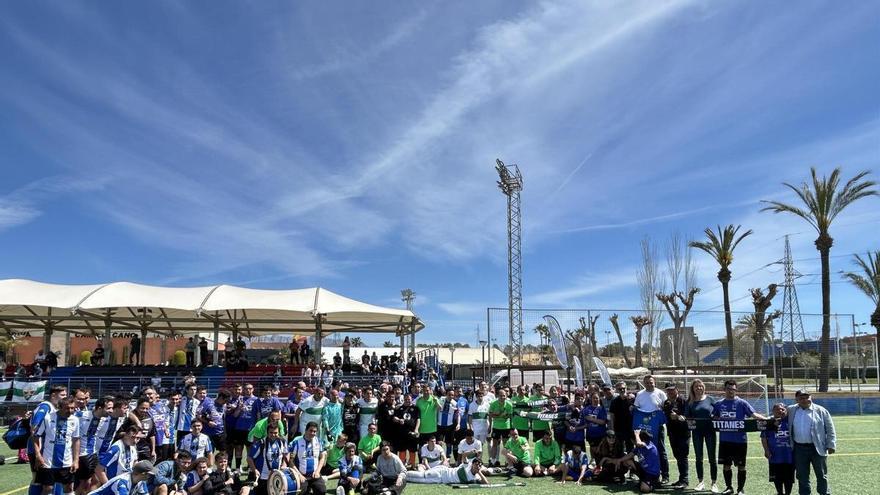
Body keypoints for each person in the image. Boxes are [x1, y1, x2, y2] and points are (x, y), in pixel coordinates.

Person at [713, 379, 767, 495]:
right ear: (724, 389)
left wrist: (766, 419)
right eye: (728, 389)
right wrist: (715, 418)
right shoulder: (719, 404)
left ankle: (740, 489)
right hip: (725, 440)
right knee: (726, 466)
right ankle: (729, 487)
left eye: (733, 389)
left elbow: (753, 415)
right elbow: (713, 417)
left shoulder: (742, 403)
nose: (730, 391)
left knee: (741, 466)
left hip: (740, 440)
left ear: (736, 390)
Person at [786, 389, 835, 495]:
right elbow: (778, 416)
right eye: (801, 398)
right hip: (799, 449)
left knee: (821, 475)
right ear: (796, 399)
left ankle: (824, 493)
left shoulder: (821, 410)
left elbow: (830, 428)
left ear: (811, 397)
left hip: (817, 448)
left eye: (807, 397)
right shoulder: (791, 410)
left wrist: (831, 444)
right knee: (802, 476)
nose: (805, 400)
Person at [32, 397, 81, 495]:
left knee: (68, 488)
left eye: (72, 408)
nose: (70, 411)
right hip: (48, 461)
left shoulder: (75, 420)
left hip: (66, 461)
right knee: (47, 488)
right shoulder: (48, 418)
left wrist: (76, 460)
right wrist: (38, 455)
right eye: (67, 408)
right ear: (60, 407)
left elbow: (76, 440)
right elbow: (36, 436)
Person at [632, 375, 669, 484]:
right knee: (643, 451)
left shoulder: (661, 393)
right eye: (647, 382)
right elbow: (636, 409)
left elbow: (665, 408)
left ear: (654, 382)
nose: (649, 384)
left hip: (657, 427)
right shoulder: (639, 394)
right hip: (643, 429)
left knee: (660, 451)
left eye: (651, 382)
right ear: (644, 383)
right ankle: (646, 474)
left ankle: (665, 475)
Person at [687, 378, 719, 492]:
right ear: (693, 388)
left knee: (712, 459)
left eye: (700, 386)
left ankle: (714, 483)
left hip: (710, 432)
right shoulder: (690, 402)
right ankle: (701, 482)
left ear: (703, 387)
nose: (698, 388)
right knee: (698, 458)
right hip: (697, 433)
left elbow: (718, 412)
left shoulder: (710, 399)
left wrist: (716, 416)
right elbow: (687, 417)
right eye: (696, 386)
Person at [76, 395, 112, 495]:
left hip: (93, 453)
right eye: (108, 408)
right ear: (100, 408)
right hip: (83, 455)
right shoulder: (81, 416)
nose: (111, 411)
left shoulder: (104, 419)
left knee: (95, 481)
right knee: (84, 483)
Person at [662, 383, 690, 489]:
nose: (670, 392)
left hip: (683, 434)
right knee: (678, 456)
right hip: (672, 434)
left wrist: (678, 417)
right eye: (668, 390)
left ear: (677, 390)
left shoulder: (684, 401)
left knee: (683, 457)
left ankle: (685, 481)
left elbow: (688, 417)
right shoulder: (667, 403)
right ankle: (681, 479)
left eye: (672, 390)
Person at [762, 403, 794, 495]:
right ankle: (779, 492)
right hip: (775, 455)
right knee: (777, 477)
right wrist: (766, 450)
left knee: (789, 478)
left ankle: (788, 493)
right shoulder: (769, 422)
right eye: (777, 409)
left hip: (789, 455)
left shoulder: (790, 421)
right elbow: (764, 437)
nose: (780, 411)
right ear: (773, 411)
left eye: (782, 409)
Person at [248, 423, 288, 495]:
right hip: (263, 477)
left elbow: (286, 453)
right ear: (267, 432)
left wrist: (284, 464)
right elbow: (249, 458)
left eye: (275, 433)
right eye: (271, 432)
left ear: (278, 432)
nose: (273, 435)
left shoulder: (282, 442)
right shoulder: (261, 443)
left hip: (277, 476)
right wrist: (255, 470)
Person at [289, 421, 327, 495]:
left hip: (314, 475)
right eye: (311, 430)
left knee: (322, 490)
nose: (312, 433)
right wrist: (299, 475)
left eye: (315, 431)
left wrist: (317, 471)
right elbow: (291, 462)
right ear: (306, 430)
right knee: (301, 492)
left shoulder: (319, 442)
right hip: (302, 476)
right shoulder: (296, 443)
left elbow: (322, 457)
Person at [231, 383, 258, 472]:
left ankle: (250, 467)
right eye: (246, 389)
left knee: (249, 449)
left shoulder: (257, 400)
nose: (248, 390)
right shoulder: (240, 399)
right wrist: (239, 408)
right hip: (239, 428)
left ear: (253, 389)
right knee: (238, 448)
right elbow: (235, 415)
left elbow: (258, 415)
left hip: (251, 429)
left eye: (250, 388)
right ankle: (239, 468)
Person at [87, 460, 156, 495]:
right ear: (143, 474)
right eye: (149, 474)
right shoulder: (122, 482)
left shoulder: (141, 481)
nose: (150, 477)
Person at [406, 457, 488, 485]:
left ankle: (404, 478)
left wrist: (479, 472)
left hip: (441, 480)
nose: (478, 466)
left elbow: (486, 483)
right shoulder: (467, 465)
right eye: (476, 464)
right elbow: (464, 456)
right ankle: (402, 474)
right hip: (442, 472)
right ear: (472, 464)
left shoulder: (475, 476)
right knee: (422, 475)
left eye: (479, 465)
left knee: (421, 481)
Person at [393, 392, 420, 468]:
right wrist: (398, 420)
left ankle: (413, 465)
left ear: (411, 399)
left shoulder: (415, 408)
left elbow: (418, 419)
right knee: (402, 450)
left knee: (412, 450)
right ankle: (402, 466)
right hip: (402, 433)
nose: (407, 400)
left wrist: (416, 429)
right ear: (403, 399)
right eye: (406, 399)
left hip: (412, 433)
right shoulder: (399, 408)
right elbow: (394, 418)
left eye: (409, 399)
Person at [487, 388, 513, 467]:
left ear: (506, 396)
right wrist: (497, 415)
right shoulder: (493, 403)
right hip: (496, 427)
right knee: (495, 444)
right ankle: (493, 461)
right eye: (501, 396)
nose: (502, 397)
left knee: (506, 445)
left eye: (504, 396)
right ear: (497, 396)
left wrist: (511, 425)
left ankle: (508, 461)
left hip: (506, 427)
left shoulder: (509, 404)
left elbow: (510, 415)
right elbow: (490, 415)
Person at [435, 389, 460, 460]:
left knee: (449, 443)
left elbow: (458, 415)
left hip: (450, 426)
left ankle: (448, 458)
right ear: (446, 394)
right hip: (440, 426)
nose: (451, 396)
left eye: (452, 395)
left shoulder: (455, 403)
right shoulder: (440, 400)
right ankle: (438, 458)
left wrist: (458, 424)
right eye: (449, 394)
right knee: (439, 443)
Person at [583, 392, 608, 460]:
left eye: (597, 398)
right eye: (593, 398)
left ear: (599, 399)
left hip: (601, 434)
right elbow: (585, 421)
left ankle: (601, 466)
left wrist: (591, 419)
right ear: (591, 399)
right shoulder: (587, 409)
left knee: (601, 451)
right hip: (591, 435)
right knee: (593, 451)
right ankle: (593, 464)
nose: (595, 399)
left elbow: (603, 422)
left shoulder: (602, 409)